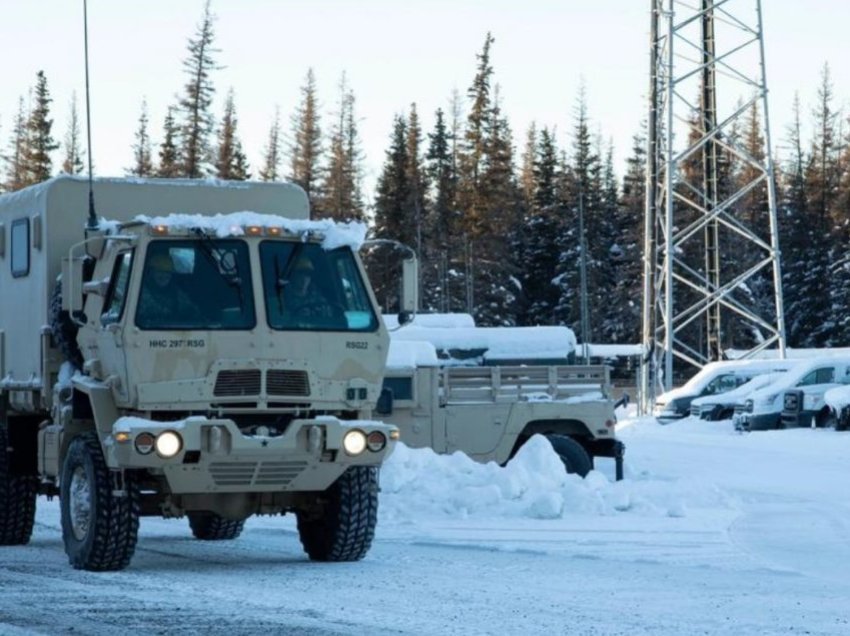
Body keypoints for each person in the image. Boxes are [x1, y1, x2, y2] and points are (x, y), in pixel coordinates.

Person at [137, 252, 200, 327]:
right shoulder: (139, 293)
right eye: (160, 271)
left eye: (167, 272)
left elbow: (193, 312)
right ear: (150, 272)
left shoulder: (176, 293)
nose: (164, 276)